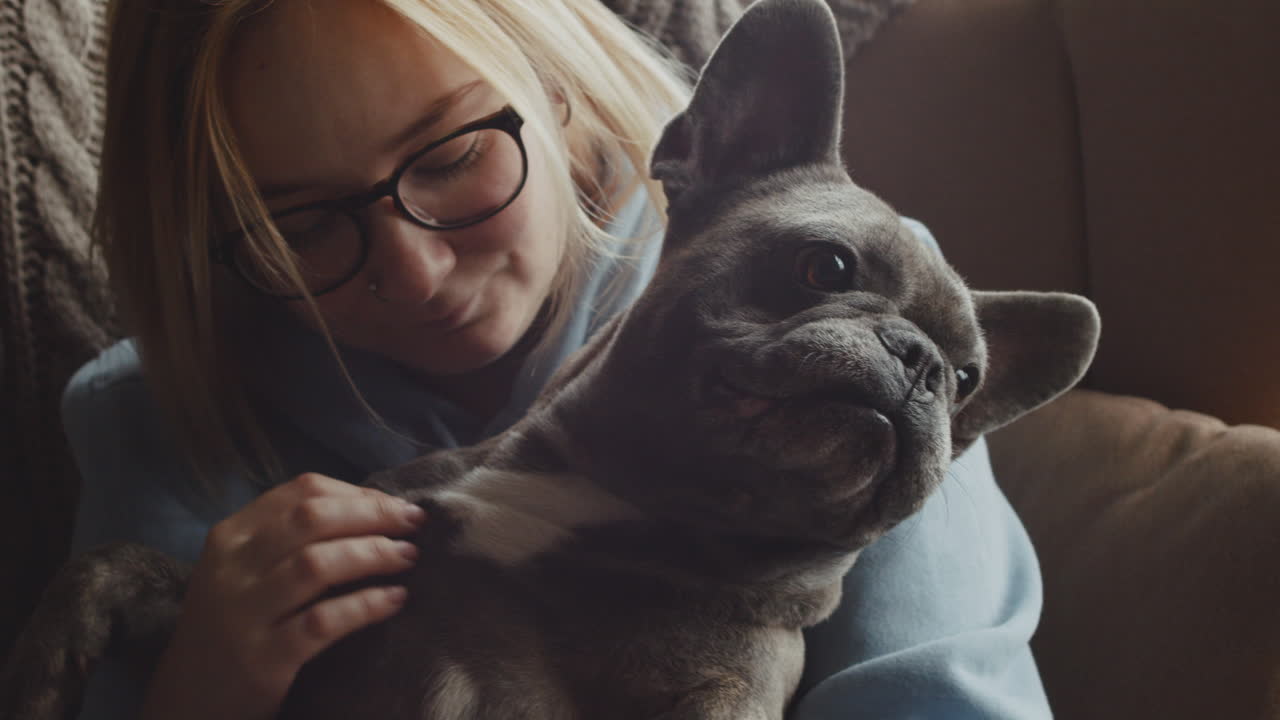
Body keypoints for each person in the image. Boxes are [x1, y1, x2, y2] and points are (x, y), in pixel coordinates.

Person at [64, 0, 1054, 718]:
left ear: (558, 89)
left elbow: (938, 693)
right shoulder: (168, 412)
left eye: (451, 157)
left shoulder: (832, 298)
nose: (414, 271)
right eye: (301, 225)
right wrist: (196, 688)